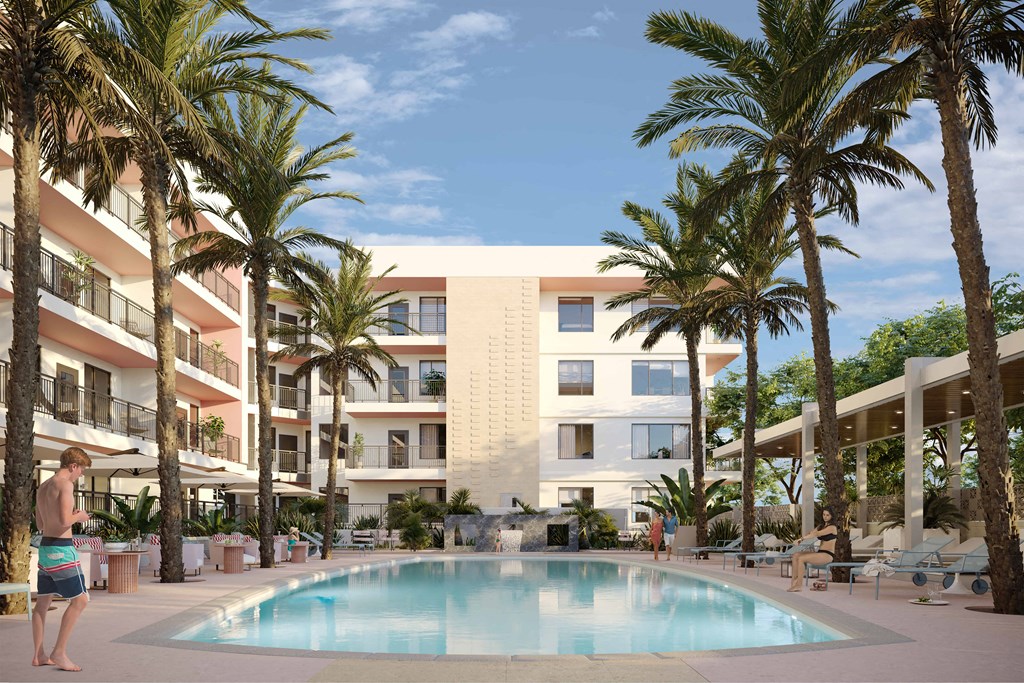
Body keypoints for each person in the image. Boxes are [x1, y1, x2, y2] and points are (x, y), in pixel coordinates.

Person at [33, 447, 93, 671]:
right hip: (62, 549)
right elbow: (66, 519)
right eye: (82, 470)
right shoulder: (66, 485)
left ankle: (39, 655)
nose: (81, 475)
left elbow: (40, 524)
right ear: (73, 466)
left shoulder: (43, 486)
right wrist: (80, 516)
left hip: (46, 549)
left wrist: (69, 516)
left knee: (42, 604)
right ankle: (59, 652)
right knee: (80, 600)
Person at [788, 507, 838, 592]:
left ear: (832, 516)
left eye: (827, 515)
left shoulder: (832, 528)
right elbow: (811, 533)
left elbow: (817, 534)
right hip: (820, 552)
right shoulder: (821, 526)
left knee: (801, 558)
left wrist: (801, 539)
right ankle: (793, 583)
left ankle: (799, 585)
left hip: (828, 555)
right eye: (824, 514)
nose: (825, 517)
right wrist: (802, 538)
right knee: (795, 555)